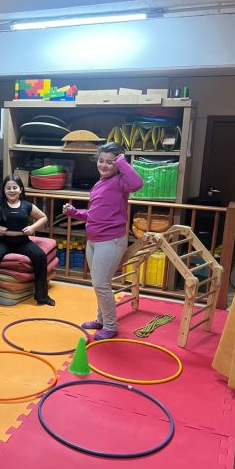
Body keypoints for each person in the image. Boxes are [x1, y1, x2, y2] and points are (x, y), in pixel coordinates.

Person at [63, 143, 143, 340]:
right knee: (98, 283)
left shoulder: (120, 181)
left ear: (118, 163)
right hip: (93, 239)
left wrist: (122, 162)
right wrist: (75, 213)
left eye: (110, 162)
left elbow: (137, 183)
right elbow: (95, 213)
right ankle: (101, 319)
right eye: (101, 161)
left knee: (101, 284)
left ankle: (110, 325)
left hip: (111, 240)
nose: (104, 165)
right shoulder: (100, 182)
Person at [0, 174, 55, 310]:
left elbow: (43, 217)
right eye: (8, 188)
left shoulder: (27, 206)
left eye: (15, 187)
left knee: (40, 256)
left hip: (22, 241)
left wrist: (32, 228)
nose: (12, 190)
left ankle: (42, 297)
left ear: (20, 189)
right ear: (4, 190)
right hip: (1, 241)